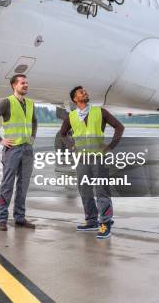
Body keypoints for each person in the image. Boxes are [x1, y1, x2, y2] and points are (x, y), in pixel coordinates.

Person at [60, 86, 124, 239]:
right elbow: (63, 134)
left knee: (101, 191)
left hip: (98, 158)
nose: (85, 93)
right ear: (75, 99)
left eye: (85, 91)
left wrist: (110, 147)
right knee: (85, 190)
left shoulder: (99, 111)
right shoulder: (72, 116)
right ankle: (91, 220)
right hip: (81, 158)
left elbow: (119, 127)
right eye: (81, 92)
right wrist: (71, 146)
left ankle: (105, 223)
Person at [0, 74, 37, 231]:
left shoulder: (30, 103)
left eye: (27, 82)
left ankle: (20, 218)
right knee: (7, 185)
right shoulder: (7, 102)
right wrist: (0, 140)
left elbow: (34, 121)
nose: (26, 85)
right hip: (12, 149)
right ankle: (1, 218)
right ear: (14, 86)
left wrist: (33, 137)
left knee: (23, 185)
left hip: (27, 149)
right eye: (22, 83)